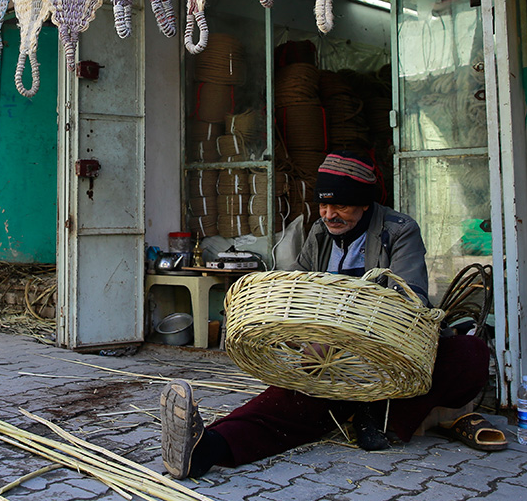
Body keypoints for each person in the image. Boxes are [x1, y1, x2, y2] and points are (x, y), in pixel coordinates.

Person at [160, 151, 504, 480]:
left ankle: (380, 414)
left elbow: (408, 298)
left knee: (470, 354)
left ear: (365, 203)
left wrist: (348, 336)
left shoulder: (399, 231)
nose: (329, 214)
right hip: (334, 362)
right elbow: (298, 285)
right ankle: (207, 448)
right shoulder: (321, 233)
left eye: (340, 204)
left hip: (389, 354)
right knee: (292, 400)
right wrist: (301, 337)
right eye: (323, 204)